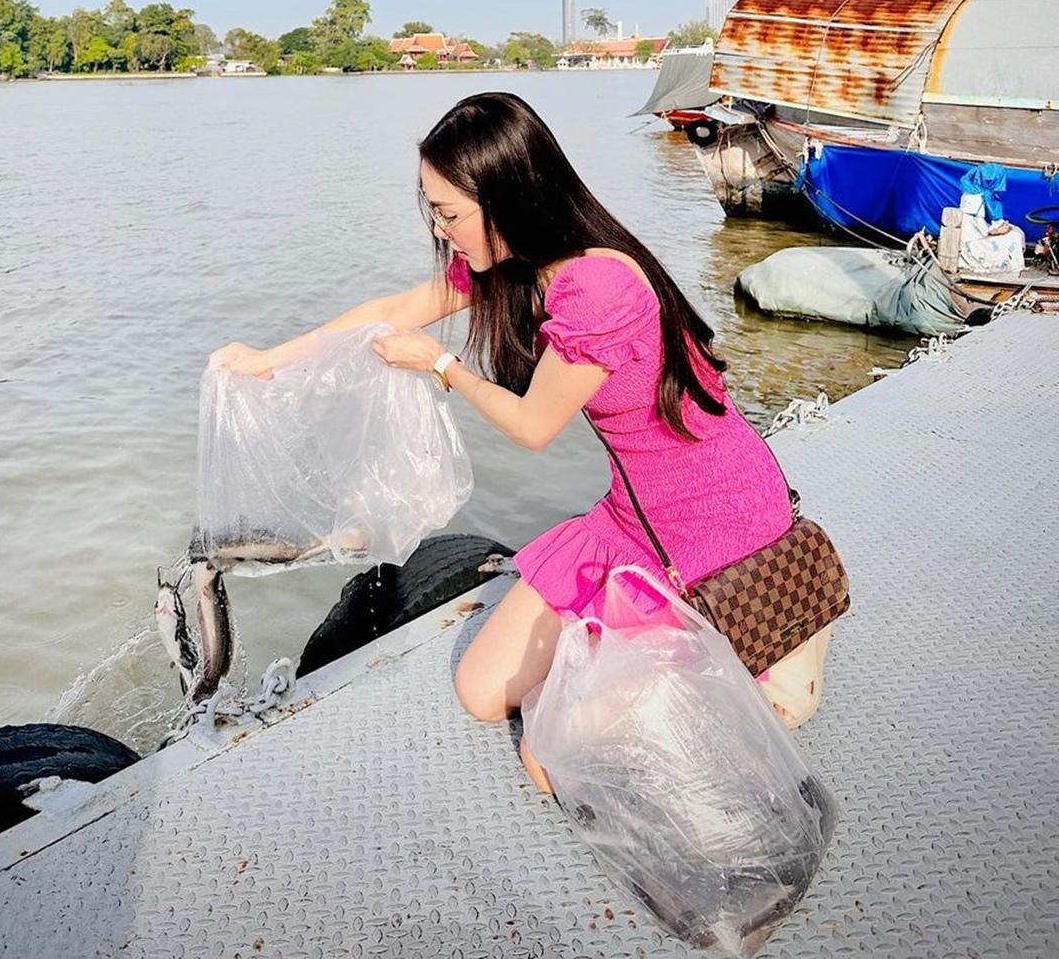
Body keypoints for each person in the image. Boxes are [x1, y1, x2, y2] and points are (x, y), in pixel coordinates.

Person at [209, 91, 827, 794]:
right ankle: (648, 648)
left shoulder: (596, 285)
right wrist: (266, 360)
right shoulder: (518, 264)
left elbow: (535, 427)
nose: (441, 231)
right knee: (482, 691)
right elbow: (392, 312)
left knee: (550, 753)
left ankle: (753, 652)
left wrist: (442, 367)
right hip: (636, 512)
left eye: (448, 213)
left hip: (714, 519)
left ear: (503, 198)